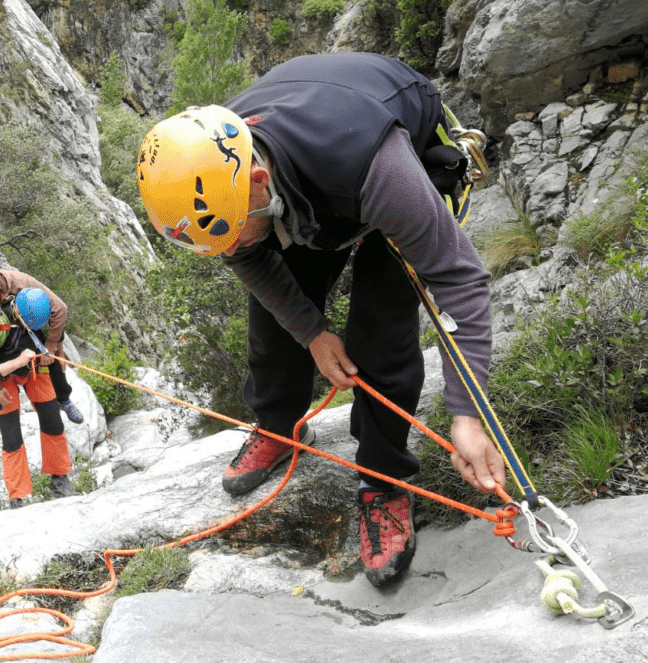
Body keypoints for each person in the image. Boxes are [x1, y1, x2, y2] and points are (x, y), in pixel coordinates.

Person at [136, 52, 505, 587]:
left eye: (234, 231)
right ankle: (277, 424)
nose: (229, 250)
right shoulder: (213, 168)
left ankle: (383, 480)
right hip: (309, 170)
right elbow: (249, 258)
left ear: (258, 181)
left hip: (384, 145)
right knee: (273, 322)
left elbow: (461, 280)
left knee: (382, 327)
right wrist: (311, 332)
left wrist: (468, 415)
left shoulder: (377, 171)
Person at [0, 262, 83, 452]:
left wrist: (52, 344)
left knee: (54, 366)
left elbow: (59, 308)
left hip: (29, 333)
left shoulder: (22, 282)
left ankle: (64, 400)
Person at [0, 287, 77, 507]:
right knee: (11, 436)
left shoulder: (44, 317)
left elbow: (57, 337)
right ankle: (17, 496)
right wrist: (17, 363)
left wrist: (54, 353)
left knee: (53, 422)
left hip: (35, 369)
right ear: (19, 314)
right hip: (3, 378)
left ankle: (59, 480)